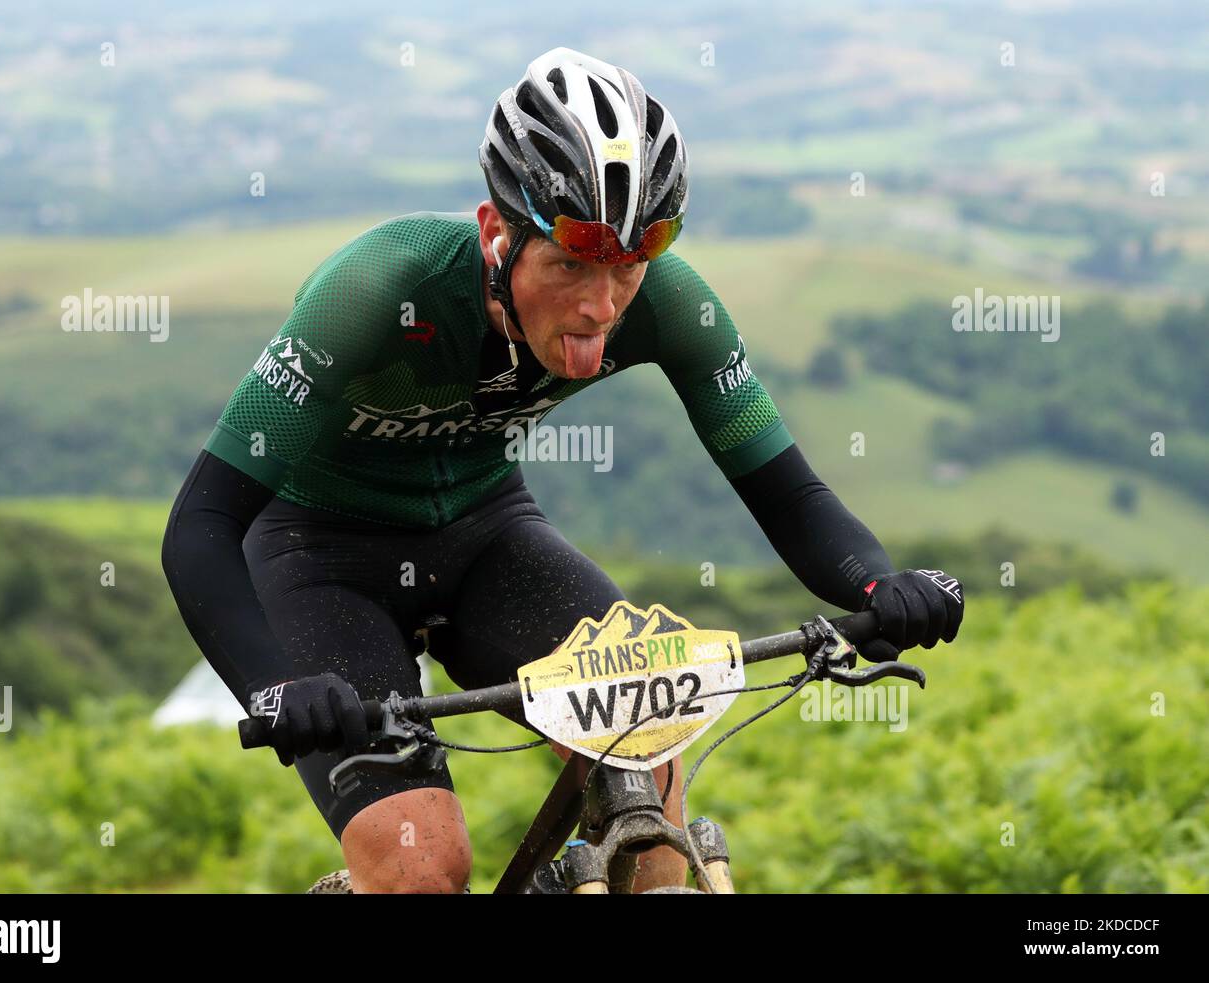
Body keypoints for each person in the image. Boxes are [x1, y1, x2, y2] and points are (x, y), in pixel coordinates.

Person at [161, 47, 964, 894]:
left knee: (652, 793)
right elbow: (201, 524)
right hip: (317, 556)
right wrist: (274, 686)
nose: (600, 304)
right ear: (494, 233)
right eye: (570, 262)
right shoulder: (379, 286)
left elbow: (785, 489)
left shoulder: (668, 304)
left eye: (627, 264)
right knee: (423, 870)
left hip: (486, 534)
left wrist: (878, 586)